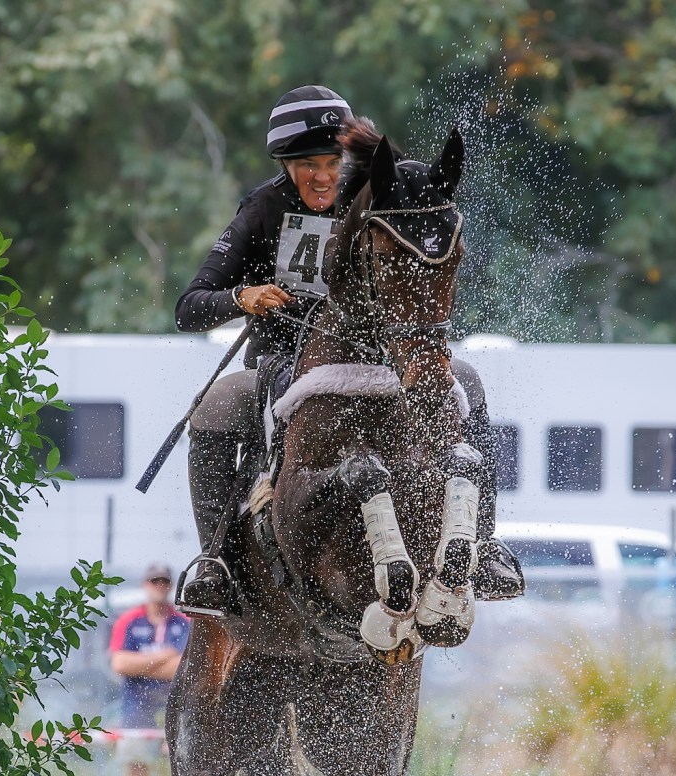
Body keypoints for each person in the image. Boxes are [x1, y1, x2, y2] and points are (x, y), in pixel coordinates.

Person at [174, 84, 522, 618]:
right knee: (217, 406)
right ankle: (215, 560)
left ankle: (486, 543)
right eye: (306, 165)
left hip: (385, 356)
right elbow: (189, 307)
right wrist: (242, 296)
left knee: (468, 380)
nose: (322, 177)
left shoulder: (381, 192)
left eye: (331, 163)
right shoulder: (263, 208)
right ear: (285, 166)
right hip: (287, 357)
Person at [109, 563, 190, 776]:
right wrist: (164, 656)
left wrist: (140, 664)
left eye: (164, 581)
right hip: (137, 707)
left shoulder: (185, 622)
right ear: (146, 584)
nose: (160, 586)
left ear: (171, 586)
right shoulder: (128, 621)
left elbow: (184, 669)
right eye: (155, 581)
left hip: (177, 709)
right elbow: (119, 663)